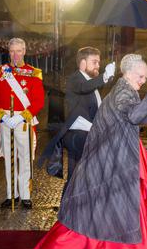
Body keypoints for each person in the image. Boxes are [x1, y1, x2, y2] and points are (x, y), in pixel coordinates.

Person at [30, 54, 147, 249]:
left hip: (122, 154)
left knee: (140, 201)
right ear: (128, 73)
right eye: (140, 76)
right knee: (120, 205)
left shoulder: (124, 89)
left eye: (144, 77)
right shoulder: (123, 92)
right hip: (115, 158)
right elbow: (135, 116)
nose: (143, 81)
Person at [39, 47, 115, 193]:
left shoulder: (90, 81)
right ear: (82, 63)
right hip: (78, 135)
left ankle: (68, 209)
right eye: (94, 62)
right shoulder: (76, 80)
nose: (98, 66)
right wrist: (105, 76)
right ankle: (73, 208)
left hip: (86, 134)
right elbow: (84, 88)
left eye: (98, 63)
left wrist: (108, 79)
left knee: (76, 176)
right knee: (83, 175)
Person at [0, 38, 45, 209]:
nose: (15, 55)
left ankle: (26, 195)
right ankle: (11, 194)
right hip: (6, 120)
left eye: (18, 51)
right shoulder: (0, 72)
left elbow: (39, 101)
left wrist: (21, 117)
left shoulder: (34, 73)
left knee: (25, 158)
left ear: (24, 51)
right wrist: (3, 117)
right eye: (12, 51)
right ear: (9, 52)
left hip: (24, 121)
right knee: (9, 159)